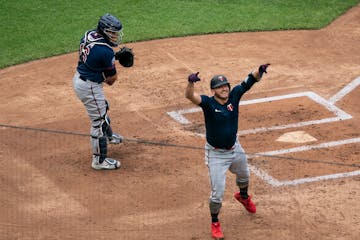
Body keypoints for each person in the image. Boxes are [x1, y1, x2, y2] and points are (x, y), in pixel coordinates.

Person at [185, 64, 270, 239]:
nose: (224, 89)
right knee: (217, 193)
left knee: (244, 176)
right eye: (219, 87)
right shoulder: (208, 103)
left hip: (235, 148)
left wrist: (260, 70)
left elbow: (249, 80)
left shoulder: (234, 96)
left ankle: (243, 196)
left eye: (225, 86)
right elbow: (190, 96)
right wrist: (190, 83)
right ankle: (215, 222)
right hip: (216, 154)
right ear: (213, 90)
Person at [73, 13, 125, 170]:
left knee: (103, 106)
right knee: (99, 123)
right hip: (89, 87)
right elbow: (111, 80)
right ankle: (99, 161)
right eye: (113, 33)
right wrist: (116, 61)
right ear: (105, 31)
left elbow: (94, 56)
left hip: (80, 77)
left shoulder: (89, 34)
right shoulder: (106, 52)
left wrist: (112, 58)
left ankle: (109, 137)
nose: (115, 36)